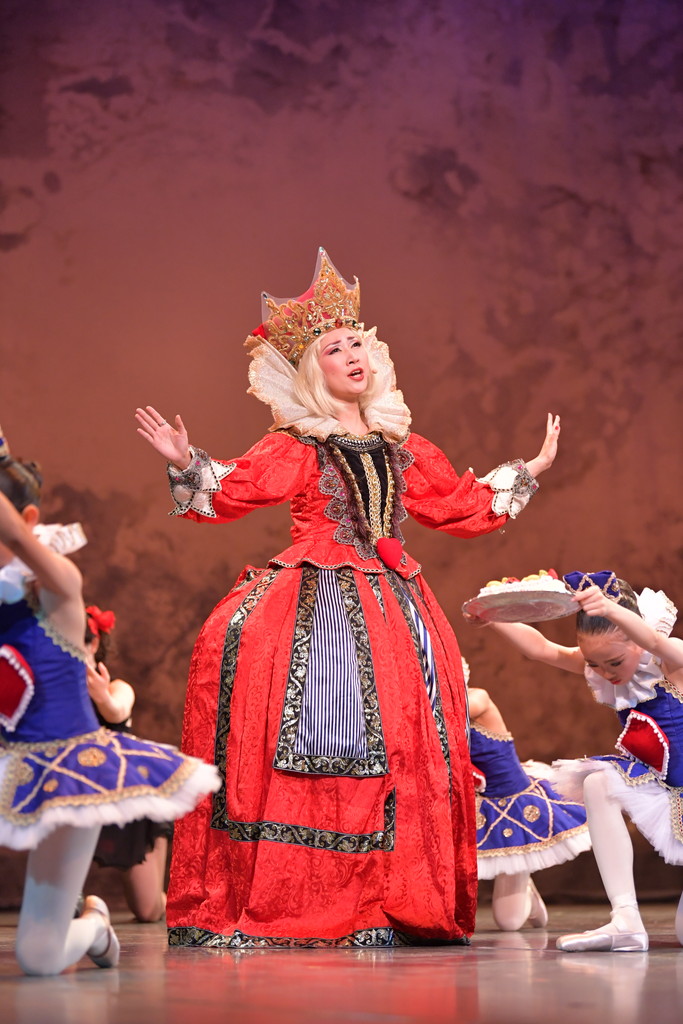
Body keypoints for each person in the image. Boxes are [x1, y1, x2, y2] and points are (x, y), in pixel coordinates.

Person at [135, 248, 560, 948]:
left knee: (402, 739)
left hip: (395, 604)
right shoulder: (298, 443)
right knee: (326, 735)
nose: (352, 355)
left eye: (356, 342)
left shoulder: (401, 444)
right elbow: (239, 488)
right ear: (314, 370)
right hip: (321, 600)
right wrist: (187, 460)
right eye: (334, 348)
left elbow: (453, 503)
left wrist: (527, 471)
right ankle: (315, 894)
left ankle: (389, 897)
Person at [0, 428, 220, 976]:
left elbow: (28, 549)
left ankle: (94, 924)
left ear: (26, 522)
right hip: (9, 765)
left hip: (73, 775)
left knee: (38, 956)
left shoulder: (58, 591)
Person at [476, 570, 683, 952]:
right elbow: (541, 650)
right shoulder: (604, 666)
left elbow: (653, 640)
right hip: (660, 782)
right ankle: (625, 918)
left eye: (613, 662)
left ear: (634, 637)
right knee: (598, 781)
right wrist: (494, 616)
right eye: (594, 663)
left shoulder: (671, 661)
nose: (603, 674)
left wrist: (612, 610)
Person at [467, 669, 590, 931]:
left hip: (517, 803)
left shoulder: (478, 698)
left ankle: (523, 878)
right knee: (509, 921)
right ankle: (527, 888)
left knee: (508, 923)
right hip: (483, 805)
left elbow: (447, 711)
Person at [85, 605, 171, 923]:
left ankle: (182, 897)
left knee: (149, 910)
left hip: (126, 799)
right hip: (78, 795)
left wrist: (102, 698)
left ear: (93, 644)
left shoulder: (117, 689)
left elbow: (117, 711)